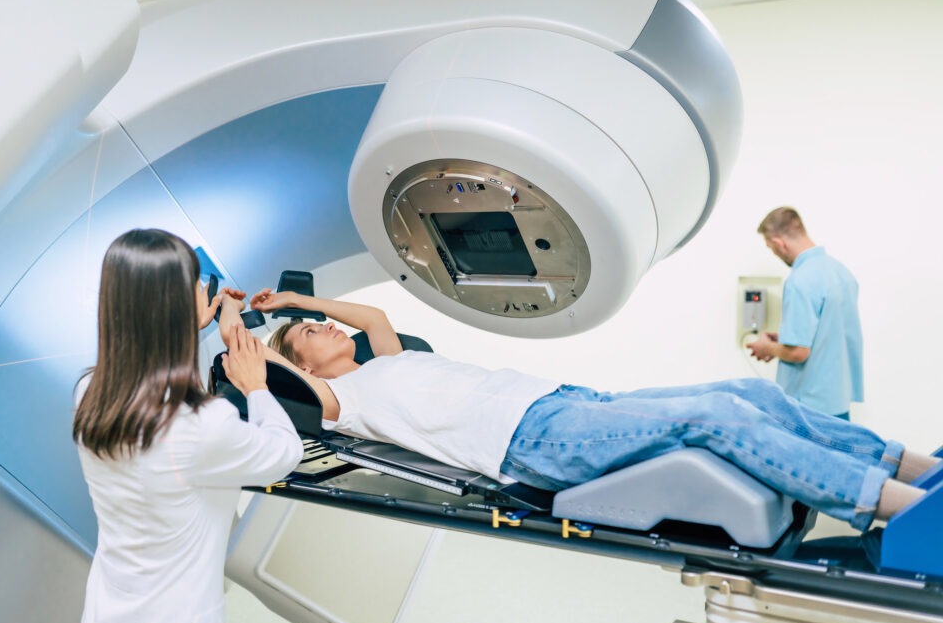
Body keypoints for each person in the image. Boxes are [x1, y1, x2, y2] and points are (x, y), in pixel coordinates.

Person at [216, 288, 938, 535]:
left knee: (750, 392)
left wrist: (301, 303)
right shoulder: (345, 402)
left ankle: (914, 466)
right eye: (314, 334)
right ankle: (897, 507)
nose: (329, 330)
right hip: (535, 442)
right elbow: (261, 365)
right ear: (303, 364)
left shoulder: (388, 356)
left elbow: (371, 312)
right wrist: (237, 321)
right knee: (719, 416)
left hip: (564, 400)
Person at [72, 229, 303, 623]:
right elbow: (283, 455)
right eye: (199, 283)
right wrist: (256, 388)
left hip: (110, 622)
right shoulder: (202, 427)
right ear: (173, 308)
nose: (207, 290)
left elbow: (170, 404)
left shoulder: (90, 390)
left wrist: (191, 330)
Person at [746, 206, 863, 420]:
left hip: (808, 408)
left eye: (770, 247)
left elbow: (798, 352)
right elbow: (828, 337)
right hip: (838, 402)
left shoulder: (801, 280)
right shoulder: (842, 273)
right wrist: (783, 339)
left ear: (779, 243)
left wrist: (767, 346)